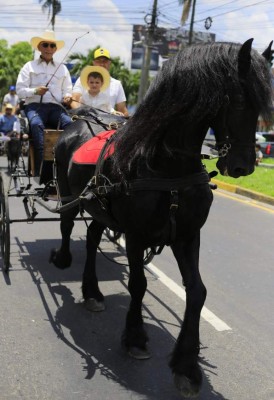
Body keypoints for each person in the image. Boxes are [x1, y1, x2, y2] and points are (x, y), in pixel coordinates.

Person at [16, 30, 73, 175]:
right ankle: (43, 169)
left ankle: (66, 164)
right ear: (39, 47)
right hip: (35, 106)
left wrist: (67, 96)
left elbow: (68, 89)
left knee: (70, 124)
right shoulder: (29, 66)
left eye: (52, 45)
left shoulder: (62, 68)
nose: (49, 48)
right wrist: (35, 91)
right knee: (36, 124)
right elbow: (20, 90)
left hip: (56, 108)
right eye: (45, 45)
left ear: (55, 49)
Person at [71, 47, 129, 116]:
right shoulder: (82, 79)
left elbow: (123, 110)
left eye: (104, 61)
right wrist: (79, 115)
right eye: (98, 61)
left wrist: (119, 115)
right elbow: (75, 99)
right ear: (94, 63)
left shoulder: (117, 84)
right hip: (84, 119)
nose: (102, 64)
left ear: (109, 63)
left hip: (107, 123)